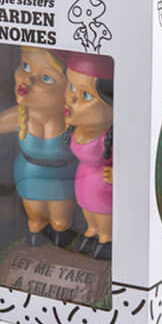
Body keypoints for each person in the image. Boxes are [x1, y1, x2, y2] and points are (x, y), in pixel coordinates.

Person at [0, 47, 77, 247]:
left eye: (46, 78)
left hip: (62, 177)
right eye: (25, 66)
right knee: (35, 219)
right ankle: (36, 236)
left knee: (61, 222)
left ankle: (61, 238)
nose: (27, 80)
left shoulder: (72, 120)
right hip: (29, 175)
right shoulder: (21, 115)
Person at [63, 52, 114, 260]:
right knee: (88, 212)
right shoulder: (76, 129)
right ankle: (91, 232)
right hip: (83, 181)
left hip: (103, 185)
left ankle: (106, 239)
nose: (72, 98)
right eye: (71, 87)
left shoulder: (108, 137)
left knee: (102, 214)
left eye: (86, 95)